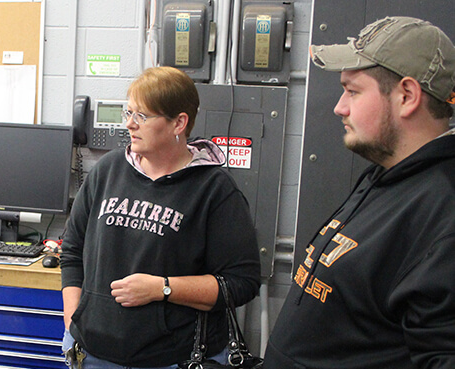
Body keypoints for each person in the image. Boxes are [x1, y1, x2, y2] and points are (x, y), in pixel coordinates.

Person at [265, 16, 455, 369]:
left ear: (407, 96)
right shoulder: (384, 174)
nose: (340, 107)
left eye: (352, 91)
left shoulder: (441, 212)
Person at [60, 66, 261, 368]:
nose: (129, 124)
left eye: (141, 116)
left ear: (179, 122)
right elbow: (72, 252)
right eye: (128, 113)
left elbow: (241, 283)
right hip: (93, 354)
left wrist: (162, 288)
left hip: (173, 358)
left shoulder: (215, 190)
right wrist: (73, 323)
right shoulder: (107, 170)